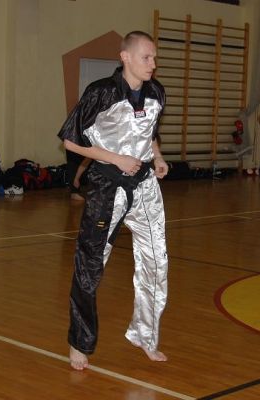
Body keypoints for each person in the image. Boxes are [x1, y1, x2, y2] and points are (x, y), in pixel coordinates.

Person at [58, 31, 169, 370]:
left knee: (157, 263)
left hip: (145, 186)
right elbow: (70, 141)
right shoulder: (101, 92)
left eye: (154, 57)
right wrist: (115, 159)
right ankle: (79, 342)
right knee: (90, 266)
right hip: (107, 188)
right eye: (146, 57)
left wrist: (157, 157)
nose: (152, 63)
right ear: (125, 57)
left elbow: (149, 133)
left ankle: (145, 336)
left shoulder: (156, 92)